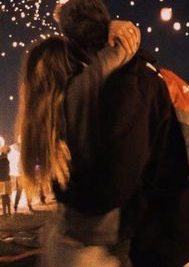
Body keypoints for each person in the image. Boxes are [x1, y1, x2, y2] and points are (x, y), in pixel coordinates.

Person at [53, 0, 189, 267]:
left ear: (76, 45)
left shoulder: (128, 86)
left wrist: (67, 200)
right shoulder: (151, 70)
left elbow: (117, 178)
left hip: (173, 232)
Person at [16, 14, 140, 266]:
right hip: (88, 249)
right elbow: (121, 51)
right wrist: (109, 28)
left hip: (62, 237)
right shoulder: (79, 100)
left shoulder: (44, 124)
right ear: (68, 68)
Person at [8, 142, 33, 213]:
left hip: (22, 176)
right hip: (23, 176)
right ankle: (25, 205)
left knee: (23, 191)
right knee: (24, 191)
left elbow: (19, 167)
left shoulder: (22, 159)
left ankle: (20, 205)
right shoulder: (23, 159)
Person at [0, 141, 11, 216]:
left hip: (1, 180)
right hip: (7, 179)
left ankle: (4, 212)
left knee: (3, 196)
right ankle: (9, 211)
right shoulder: (6, 160)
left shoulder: (1, 160)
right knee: (6, 195)